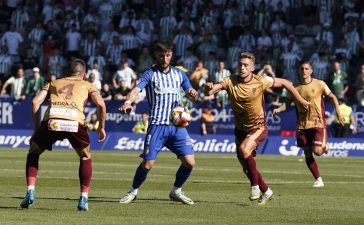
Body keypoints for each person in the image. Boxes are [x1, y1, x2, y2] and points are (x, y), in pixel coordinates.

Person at [204, 52, 310, 205]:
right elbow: (212, 90)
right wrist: (208, 88)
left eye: (246, 65)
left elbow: (286, 82)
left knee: (245, 149)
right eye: (240, 64)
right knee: (247, 168)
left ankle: (254, 187)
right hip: (240, 129)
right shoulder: (230, 81)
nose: (242, 67)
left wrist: (299, 99)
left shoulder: (261, 80)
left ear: (252, 68)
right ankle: (267, 191)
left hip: (258, 126)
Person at [20, 58, 106, 211]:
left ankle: (30, 191)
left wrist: (36, 129)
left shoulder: (53, 83)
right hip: (75, 122)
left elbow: (35, 102)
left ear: (68, 72)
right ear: (84, 74)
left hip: (52, 120)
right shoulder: (88, 85)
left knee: (34, 152)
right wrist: (101, 128)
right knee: (85, 157)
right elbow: (101, 104)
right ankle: (83, 199)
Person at [118, 41, 198, 205]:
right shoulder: (150, 74)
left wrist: (192, 93)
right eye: (161, 55)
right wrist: (128, 102)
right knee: (147, 165)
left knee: (190, 163)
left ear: (171, 55)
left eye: (167, 55)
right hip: (157, 126)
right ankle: (133, 191)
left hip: (176, 126)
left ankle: (176, 191)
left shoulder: (179, 74)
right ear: (156, 55)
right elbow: (136, 90)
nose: (165, 58)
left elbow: (190, 92)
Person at [273, 61, 345, 188]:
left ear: (311, 70)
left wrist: (338, 113)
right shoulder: (294, 87)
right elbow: (288, 103)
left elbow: (333, 97)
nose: (304, 71)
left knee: (317, 151)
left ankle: (324, 146)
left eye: (307, 69)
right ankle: (318, 179)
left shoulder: (320, 84)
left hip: (318, 122)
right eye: (302, 69)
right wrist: (279, 109)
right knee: (307, 152)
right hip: (302, 125)